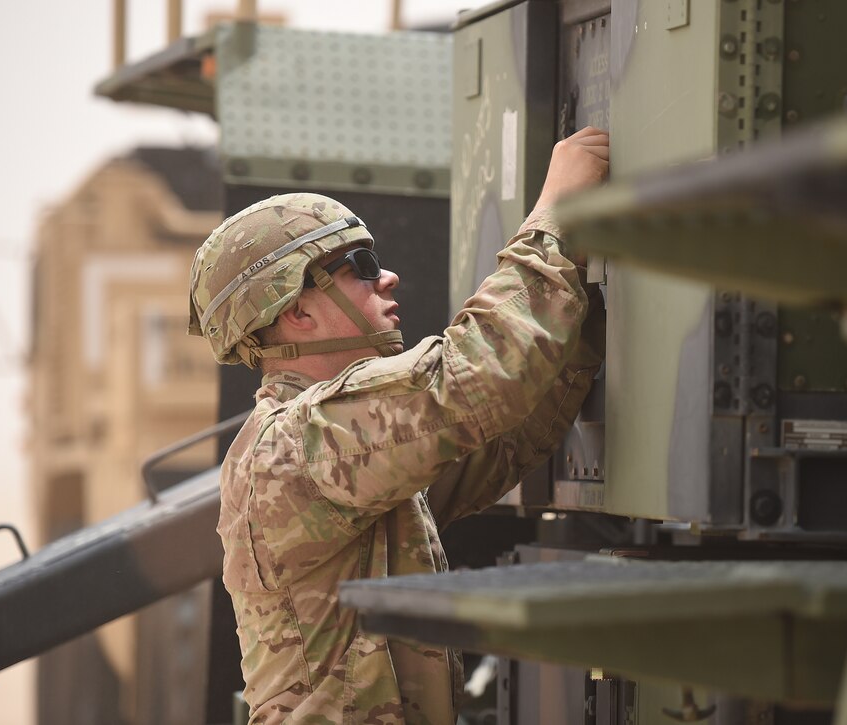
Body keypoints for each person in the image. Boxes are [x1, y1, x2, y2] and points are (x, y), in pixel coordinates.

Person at [187, 126, 609, 724]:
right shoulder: (302, 442)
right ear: (299, 310)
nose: (388, 278)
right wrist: (555, 215)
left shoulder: (335, 451)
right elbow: (472, 378)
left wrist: (587, 298)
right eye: (360, 266)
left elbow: (506, 435)